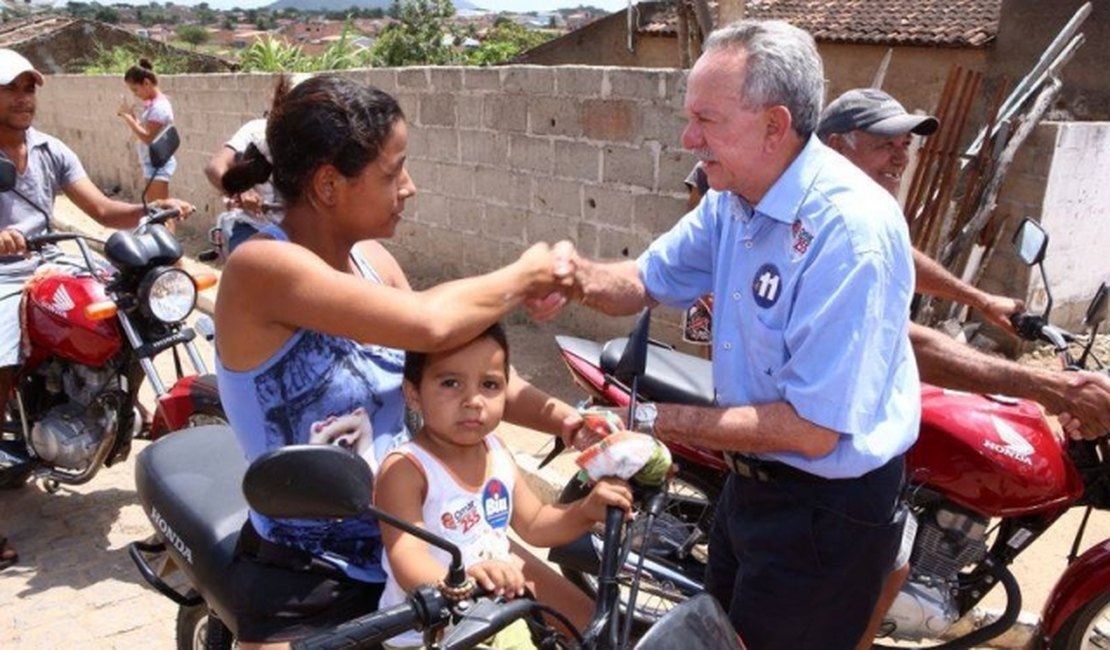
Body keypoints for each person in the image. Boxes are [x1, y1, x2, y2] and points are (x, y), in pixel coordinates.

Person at [535, 20, 919, 649]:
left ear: (774, 124)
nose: (689, 138)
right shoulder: (733, 198)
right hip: (753, 487)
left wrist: (649, 419)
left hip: (824, 512)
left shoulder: (847, 233)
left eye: (706, 120)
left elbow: (812, 429)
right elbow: (645, 279)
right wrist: (573, 277)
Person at [213, 74, 593, 648]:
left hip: (428, 535)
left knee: (587, 624)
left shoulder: (372, 261)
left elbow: (450, 368)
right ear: (328, 185)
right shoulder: (261, 268)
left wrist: (569, 420)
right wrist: (525, 274)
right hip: (312, 574)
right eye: (393, 173)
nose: (409, 187)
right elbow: (430, 323)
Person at [816, 86, 1110, 649]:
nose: (901, 159)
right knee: (884, 561)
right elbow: (907, 345)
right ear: (835, 147)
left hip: (844, 406)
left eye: (905, 146)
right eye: (885, 146)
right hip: (817, 430)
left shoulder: (862, 212)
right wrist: (1050, 386)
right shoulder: (827, 222)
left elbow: (901, 254)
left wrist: (979, 300)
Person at [375, 323, 633, 649]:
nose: (473, 400)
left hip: (493, 618)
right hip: (428, 634)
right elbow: (406, 559)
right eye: (450, 383)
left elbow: (536, 524)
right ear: (413, 394)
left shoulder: (495, 452)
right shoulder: (406, 469)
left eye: (490, 385)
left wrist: (586, 510)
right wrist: (463, 580)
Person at [117, 58, 175, 203]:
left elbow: (148, 138)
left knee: (160, 209)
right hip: (153, 163)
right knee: (159, 208)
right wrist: (133, 118)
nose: (135, 94)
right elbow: (147, 131)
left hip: (158, 165)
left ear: (147, 83)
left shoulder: (159, 108)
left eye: (135, 89)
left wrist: (127, 117)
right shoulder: (153, 105)